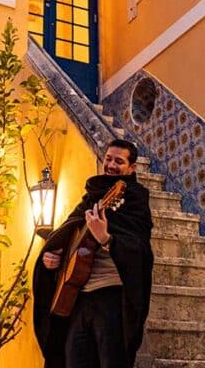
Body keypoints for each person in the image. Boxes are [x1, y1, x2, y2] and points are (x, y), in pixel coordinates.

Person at [32, 139, 153, 368]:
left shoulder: (136, 198)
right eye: (108, 159)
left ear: (132, 168)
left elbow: (140, 249)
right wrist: (52, 260)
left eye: (119, 161)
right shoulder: (90, 197)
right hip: (78, 299)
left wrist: (106, 239)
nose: (111, 165)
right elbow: (65, 235)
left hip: (111, 297)